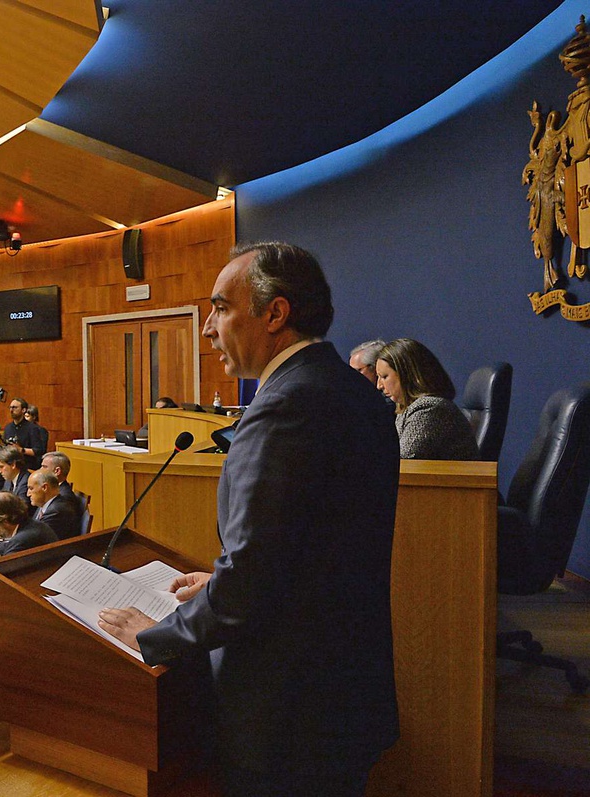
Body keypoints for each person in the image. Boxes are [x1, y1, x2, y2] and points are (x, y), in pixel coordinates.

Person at [97, 242, 400, 796]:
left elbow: (251, 584)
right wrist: (224, 580)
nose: (209, 328)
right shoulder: (353, 392)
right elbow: (320, 545)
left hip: (288, 713)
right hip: (346, 689)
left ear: (275, 313)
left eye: (221, 308)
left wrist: (156, 636)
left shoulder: (286, 406)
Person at [375, 338, 480, 461]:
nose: (379, 385)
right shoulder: (407, 408)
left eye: (384, 377)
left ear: (408, 374)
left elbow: (402, 462)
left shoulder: (429, 409)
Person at [0, 491, 57, 558]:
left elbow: (6, 573)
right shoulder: (31, 524)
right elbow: (10, 547)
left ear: (5, 521)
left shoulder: (21, 539)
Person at [25, 470, 81, 540]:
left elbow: (34, 539)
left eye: (31, 488)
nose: (28, 494)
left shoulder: (56, 511)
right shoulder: (43, 504)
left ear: (44, 487)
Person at [2, 398, 44, 471]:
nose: (11, 410)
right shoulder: (8, 428)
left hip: (28, 467)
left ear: (23, 410)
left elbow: (38, 451)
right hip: (11, 466)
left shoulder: (32, 428)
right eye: (10, 407)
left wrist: (21, 450)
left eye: (15, 407)